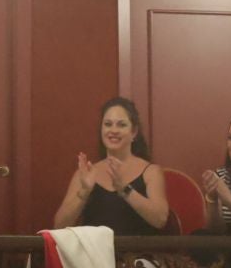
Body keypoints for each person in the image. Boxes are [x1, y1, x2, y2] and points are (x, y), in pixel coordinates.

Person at [51, 96, 169, 233]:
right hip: (94, 253)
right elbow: (59, 226)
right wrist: (84, 192)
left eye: (121, 125)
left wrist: (125, 190)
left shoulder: (151, 172)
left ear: (134, 132)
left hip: (138, 253)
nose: (113, 130)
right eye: (108, 124)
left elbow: (160, 219)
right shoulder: (86, 173)